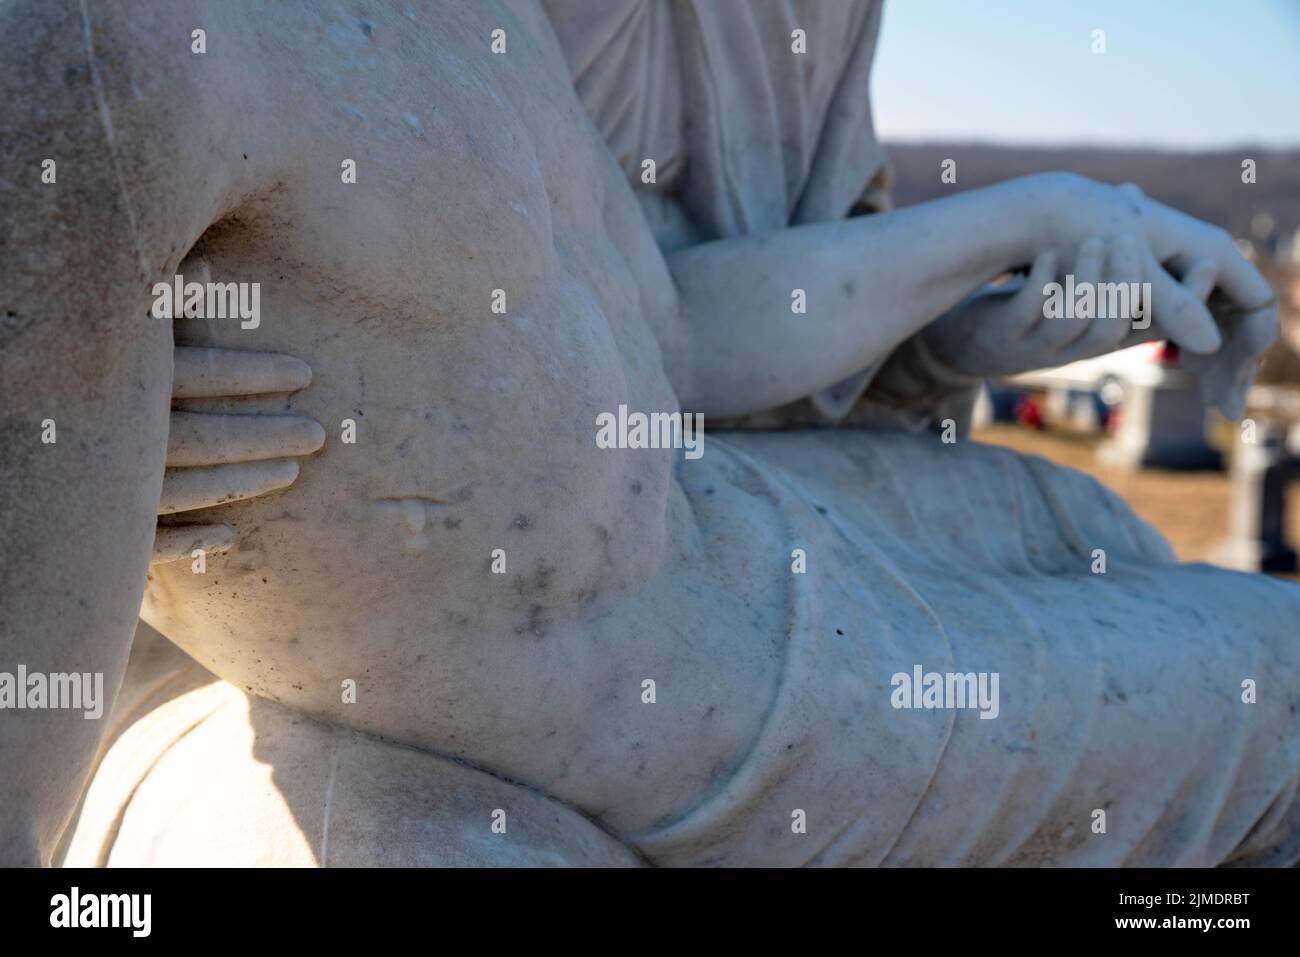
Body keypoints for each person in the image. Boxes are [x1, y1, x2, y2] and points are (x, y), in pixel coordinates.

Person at [4, 0, 1297, 867]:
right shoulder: (114, 59)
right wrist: (99, 430)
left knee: (1089, 527)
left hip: (731, 556)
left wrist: (999, 258)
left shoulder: (467, 30)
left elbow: (663, 337)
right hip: (675, 687)